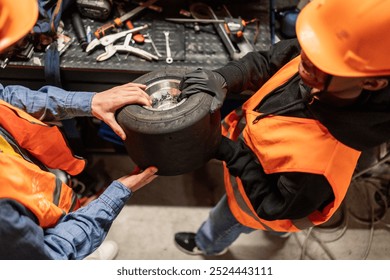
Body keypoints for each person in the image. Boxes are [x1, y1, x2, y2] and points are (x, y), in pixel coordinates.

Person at [174, 0, 390, 256]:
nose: (305, 57)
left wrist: (229, 151)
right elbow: (271, 60)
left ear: (373, 83)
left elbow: (273, 207)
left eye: (322, 60)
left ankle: (207, 244)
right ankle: (280, 230)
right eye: (310, 46)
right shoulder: (328, 65)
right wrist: (225, 78)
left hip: (255, 201)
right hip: (271, 184)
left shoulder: (321, 163)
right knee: (282, 223)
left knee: (227, 219)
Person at [0, 0, 158, 259]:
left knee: (73, 228)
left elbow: (5, 97)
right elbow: (50, 258)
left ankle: (84, 243)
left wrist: (90, 102)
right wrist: (113, 197)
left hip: (37, 199)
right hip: (40, 244)